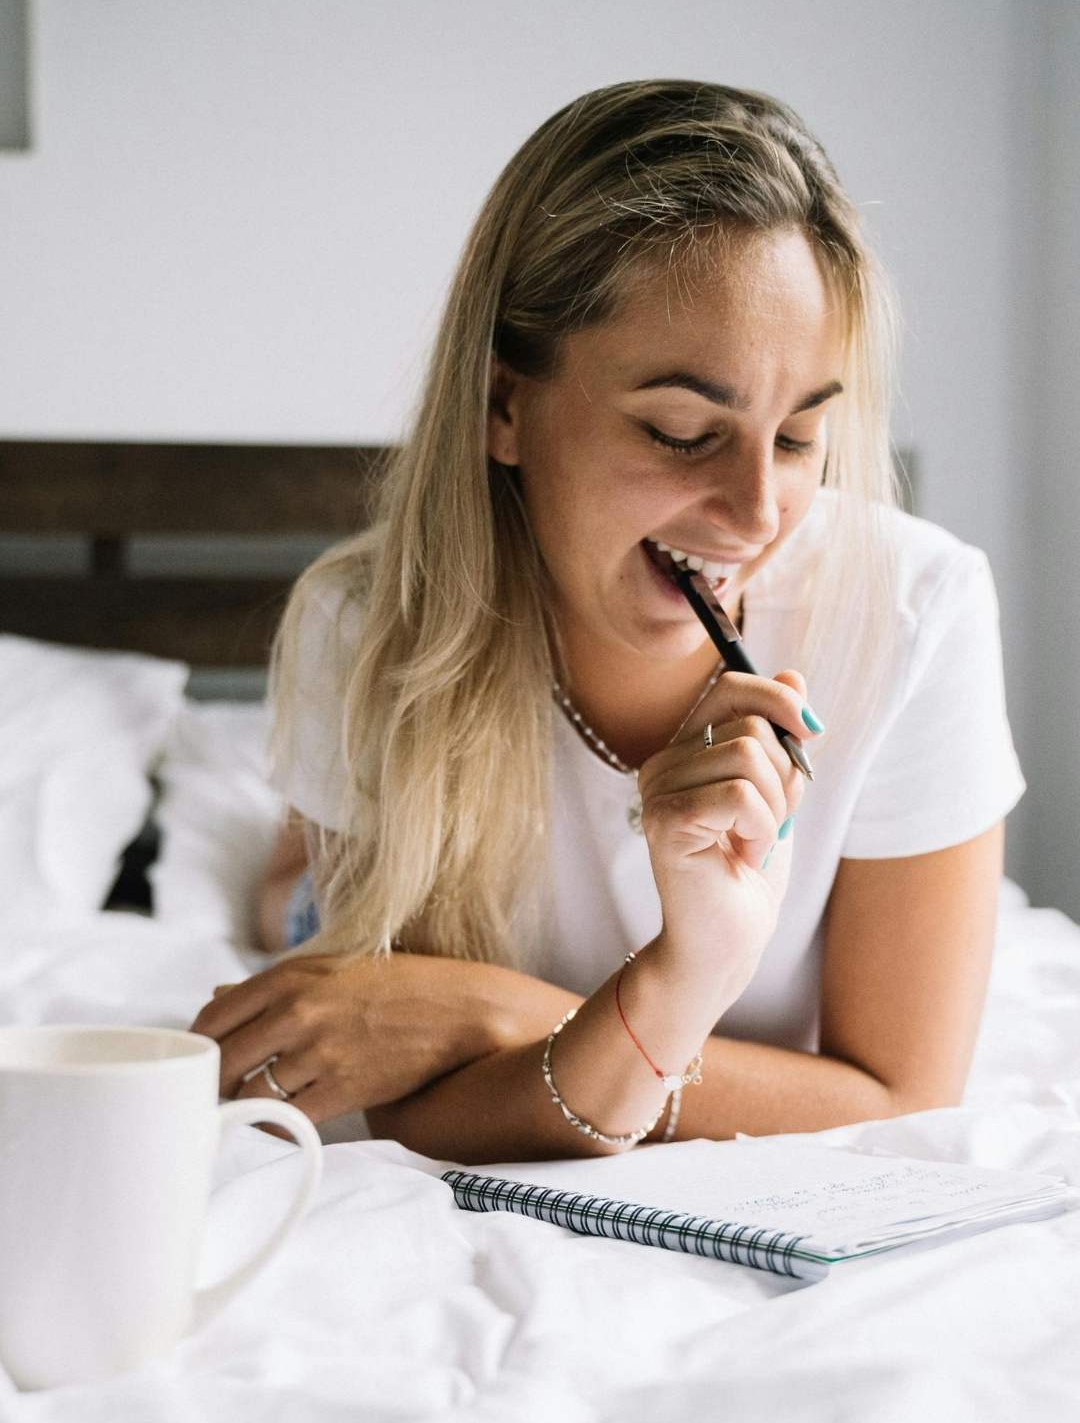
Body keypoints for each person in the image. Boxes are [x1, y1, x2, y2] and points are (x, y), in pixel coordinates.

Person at [191, 79, 1025, 1162]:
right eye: (683, 431)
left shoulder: (920, 611)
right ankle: (288, 866)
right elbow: (402, 1092)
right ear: (505, 407)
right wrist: (641, 1012)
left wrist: (494, 1009)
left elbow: (902, 1102)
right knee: (292, 912)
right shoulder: (365, 626)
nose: (757, 515)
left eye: (798, 439)